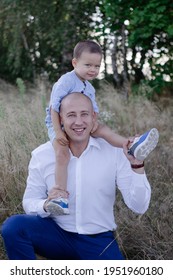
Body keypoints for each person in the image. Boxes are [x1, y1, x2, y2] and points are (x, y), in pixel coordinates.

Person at [2, 92, 152, 260]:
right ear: (60, 120)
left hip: (98, 241)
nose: (79, 122)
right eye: (71, 115)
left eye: (84, 114)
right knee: (14, 227)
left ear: (94, 117)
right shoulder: (42, 155)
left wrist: (137, 165)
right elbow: (29, 202)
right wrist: (46, 204)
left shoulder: (114, 152)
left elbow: (139, 206)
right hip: (57, 235)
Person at [45, 40, 159, 215]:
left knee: (104, 130)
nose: (93, 70)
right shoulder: (66, 81)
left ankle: (131, 145)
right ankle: (59, 196)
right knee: (62, 153)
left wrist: (96, 125)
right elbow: (54, 107)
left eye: (97, 66)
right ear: (75, 63)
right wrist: (58, 131)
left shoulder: (89, 87)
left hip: (82, 123)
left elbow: (94, 111)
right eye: (88, 65)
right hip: (58, 123)